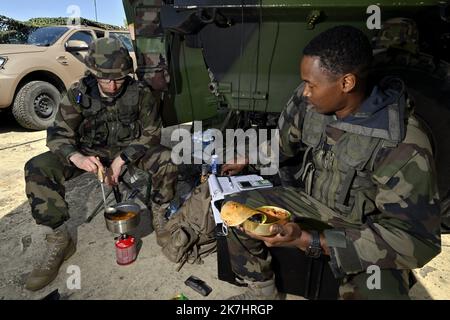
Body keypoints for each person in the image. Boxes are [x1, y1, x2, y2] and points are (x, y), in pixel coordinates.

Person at [220, 25, 441, 299]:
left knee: (378, 293)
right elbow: (282, 144)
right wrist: (248, 157)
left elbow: (417, 240)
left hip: (364, 234)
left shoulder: (404, 142)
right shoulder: (311, 106)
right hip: (313, 206)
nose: (304, 92)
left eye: (312, 85)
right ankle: (263, 292)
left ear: (346, 83)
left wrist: (312, 240)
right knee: (238, 211)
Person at [24, 38, 177, 291]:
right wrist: (77, 158)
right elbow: (58, 135)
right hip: (88, 153)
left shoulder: (140, 93)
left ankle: (159, 215)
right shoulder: (77, 93)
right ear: (93, 73)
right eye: (106, 78)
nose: (113, 85)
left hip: (128, 151)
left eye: (118, 78)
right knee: (37, 167)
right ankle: (60, 238)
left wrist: (122, 159)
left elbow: (151, 133)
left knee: (168, 160)